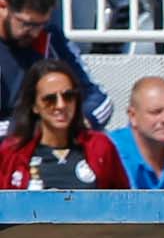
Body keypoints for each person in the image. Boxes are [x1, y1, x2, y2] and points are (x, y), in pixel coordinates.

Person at [0, 0, 109, 130]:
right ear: (3, 7)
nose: (36, 33)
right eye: (27, 24)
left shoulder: (50, 37)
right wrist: (31, 128)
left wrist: (83, 121)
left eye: (42, 24)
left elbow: (99, 99)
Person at [0, 56, 125, 189]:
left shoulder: (100, 147)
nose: (61, 105)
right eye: (50, 99)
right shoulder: (12, 152)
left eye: (68, 96)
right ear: (34, 106)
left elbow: (122, 201)